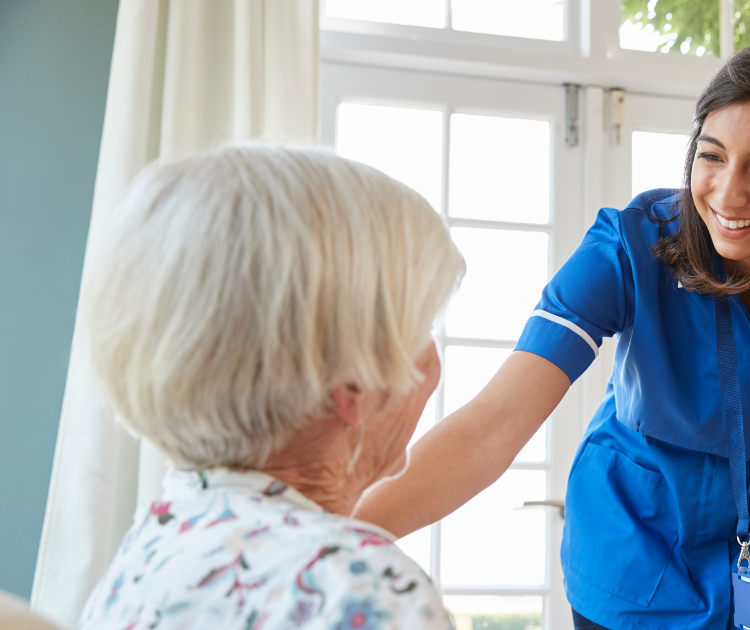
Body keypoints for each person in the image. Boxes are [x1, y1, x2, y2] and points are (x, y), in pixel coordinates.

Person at [356, 37, 750, 630]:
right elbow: (492, 429)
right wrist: (328, 533)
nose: (727, 194)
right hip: (633, 555)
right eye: (711, 156)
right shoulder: (630, 246)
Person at [77, 145, 465, 630]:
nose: (432, 360)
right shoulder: (359, 588)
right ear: (353, 384)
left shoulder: (153, 547)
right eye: (421, 327)